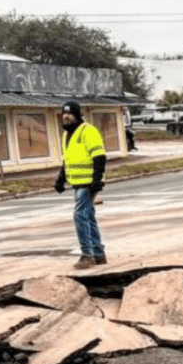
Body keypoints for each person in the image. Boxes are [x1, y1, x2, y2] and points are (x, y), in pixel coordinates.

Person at [54, 101, 108, 269]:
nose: (66, 116)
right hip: (77, 183)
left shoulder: (88, 131)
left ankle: (87, 255)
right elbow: (68, 161)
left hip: (88, 183)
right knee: (88, 216)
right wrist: (61, 180)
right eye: (64, 114)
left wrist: (96, 181)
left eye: (69, 114)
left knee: (80, 216)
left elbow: (100, 157)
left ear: (77, 115)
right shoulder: (66, 135)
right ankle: (98, 253)